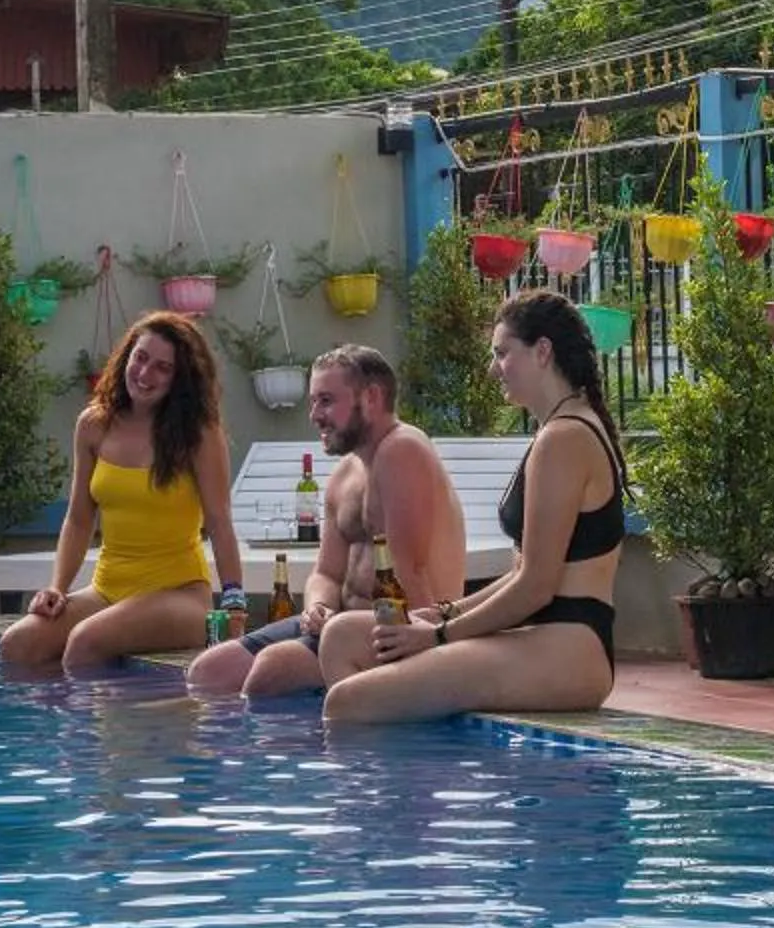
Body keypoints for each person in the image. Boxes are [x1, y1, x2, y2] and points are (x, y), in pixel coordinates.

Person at [322, 289, 622, 723]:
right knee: (343, 635)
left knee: (346, 705)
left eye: (502, 353)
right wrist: (444, 613)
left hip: (569, 649)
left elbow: (537, 587)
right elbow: (522, 574)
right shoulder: (556, 431)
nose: (492, 368)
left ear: (542, 352)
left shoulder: (566, 438)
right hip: (541, 636)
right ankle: (411, 772)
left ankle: (403, 786)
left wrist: (440, 635)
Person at [184, 344, 465, 699]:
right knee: (208, 671)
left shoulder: (403, 451)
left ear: (372, 397)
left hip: (402, 631)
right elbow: (326, 573)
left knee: (270, 671)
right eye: (313, 401)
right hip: (341, 623)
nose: (314, 415)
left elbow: (412, 573)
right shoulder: (344, 475)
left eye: (327, 401)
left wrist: (423, 666)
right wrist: (318, 606)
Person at [0, 311, 243, 673]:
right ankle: (71, 724)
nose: (145, 374)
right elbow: (79, 519)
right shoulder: (93, 425)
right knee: (18, 645)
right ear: (126, 356)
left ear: (180, 379)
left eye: (163, 367)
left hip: (179, 595)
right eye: (141, 358)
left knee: (85, 641)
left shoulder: (200, 434)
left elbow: (220, 522)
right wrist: (57, 588)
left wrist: (235, 607)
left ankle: (105, 727)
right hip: (107, 591)